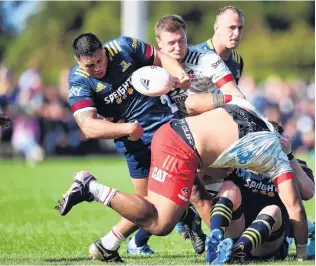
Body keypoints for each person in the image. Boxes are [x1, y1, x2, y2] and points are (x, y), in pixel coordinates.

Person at [56, 96, 308, 262]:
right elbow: (296, 205)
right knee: (160, 222)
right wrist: (302, 254)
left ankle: (107, 245)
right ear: (280, 140)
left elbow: (193, 103)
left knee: (197, 196)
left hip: (172, 132)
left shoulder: (244, 104)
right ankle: (90, 187)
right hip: (182, 151)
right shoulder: (275, 156)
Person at [127, 14, 246, 256]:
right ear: (159, 44)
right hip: (162, 139)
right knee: (163, 201)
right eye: (171, 44)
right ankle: (138, 240)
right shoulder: (149, 70)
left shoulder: (206, 59)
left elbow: (236, 94)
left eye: (182, 40)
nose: (178, 47)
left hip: (203, 136)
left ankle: (222, 241)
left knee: (209, 192)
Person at [67, 32, 190, 261]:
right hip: (133, 143)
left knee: (195, 187)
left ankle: (213, 234)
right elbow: (88, 127)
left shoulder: (123, 46)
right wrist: (126, 130)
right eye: (90, 65)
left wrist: (180, 74)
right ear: (79, 62)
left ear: (104, 50)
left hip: (164, 128)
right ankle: (107, 244)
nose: (97, 69)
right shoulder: (78, 80)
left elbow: (161, 58)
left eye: (100, 61)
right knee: (146, 208)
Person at [204, 127, 314, 264]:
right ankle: (216, 242)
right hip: (237, 229)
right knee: (228, 187)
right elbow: (207, 179)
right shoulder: (242, 161)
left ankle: (237, 252)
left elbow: (308, 192)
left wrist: (289, 156)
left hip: (270, 242)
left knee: (273, 209)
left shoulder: (291, 166)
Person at [195, 6, 244, 84]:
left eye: (240, 28)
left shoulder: (237, 60)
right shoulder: (197, 56)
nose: (237, 33)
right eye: (232, 27)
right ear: (216, 28)